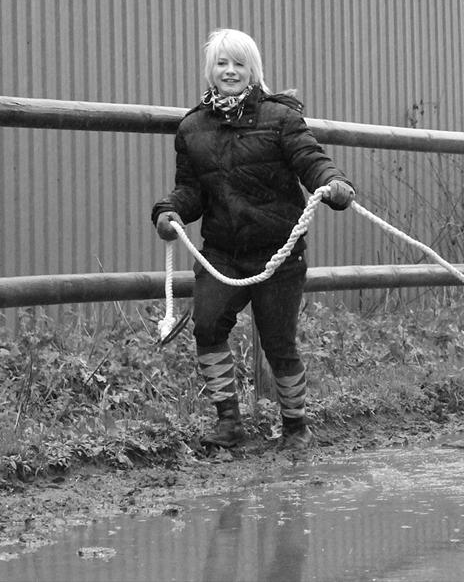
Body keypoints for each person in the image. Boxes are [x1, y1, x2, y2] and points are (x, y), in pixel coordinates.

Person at [151, 28, 355, 451]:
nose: (230, 71)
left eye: (239, 64)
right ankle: (229, 422)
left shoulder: (281, 119)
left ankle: (295, 427)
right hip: (223, 251)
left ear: (253, 71)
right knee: (207, 325)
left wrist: (334, 184)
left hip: (279, 251)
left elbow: (310, 160)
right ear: (211, 70)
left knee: (279, 341)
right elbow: (191, 189)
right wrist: (168, 210)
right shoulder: (192, 128)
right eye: (222, 64)